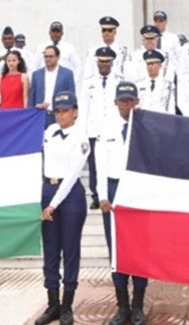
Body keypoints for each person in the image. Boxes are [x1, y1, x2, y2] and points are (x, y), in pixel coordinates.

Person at [96, 81, 148, 325]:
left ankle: (138, 305)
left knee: (139, 249)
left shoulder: (146, 127)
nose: (125, 105)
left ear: (136, 102)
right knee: (116, 250)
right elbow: (100, 164)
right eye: (121, 101)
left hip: (137, 190)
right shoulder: (106, 128)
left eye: (130, 101)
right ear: (115, 102)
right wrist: (103, 195)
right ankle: (122, 307)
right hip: (114, 190)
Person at [36, 91, 88, 325]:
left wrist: (53, 205)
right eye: (57, 110)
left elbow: (72, 174)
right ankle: (53, 304)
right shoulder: (48, 132)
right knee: (50, 251)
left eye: (65, 110)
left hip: (70, 196)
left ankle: (67, 306)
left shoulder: (81, 136)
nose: (61, 115)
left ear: (75, 111)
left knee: (70, 250)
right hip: (48, 189)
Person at [77, 47, 120, 209]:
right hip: (93, 129)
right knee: (95, 165)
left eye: (106, 62)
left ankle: (111, 193)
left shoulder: (118, 80)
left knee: (112, 162)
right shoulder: (89, 83)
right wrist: (82, 132)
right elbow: (83, 108)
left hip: (112, 128)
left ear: (112, 63)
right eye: (101, 61)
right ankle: (96, 196)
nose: (103, 65)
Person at [28, 45, 76, 126]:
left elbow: (71, 97)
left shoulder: (67, 74)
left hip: (59, 116)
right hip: (39, 116)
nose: (48, 59)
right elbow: (31, 97)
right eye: (46, 56)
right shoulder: (36, 74)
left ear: (58, 57)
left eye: (51, 56)